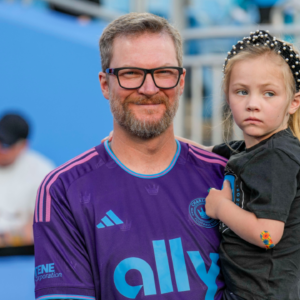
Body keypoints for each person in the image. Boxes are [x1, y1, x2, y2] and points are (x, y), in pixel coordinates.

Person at [33, 12, 227, 300]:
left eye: (163, 72)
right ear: (104, 84)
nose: (149, 89)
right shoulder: (63, 190)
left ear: (181, 81)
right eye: (131, 74)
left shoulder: (224, 174)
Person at [192, 30, 300, 300]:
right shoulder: (249, 150)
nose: (253, 104)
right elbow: (198, 151)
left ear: (293, 103)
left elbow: (267, 235)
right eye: (242, 92)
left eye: (269, 94)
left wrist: (221, 208)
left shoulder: (278, 156)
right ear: (228, 97)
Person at [0, 113, 55, 255]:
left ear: (23, 145)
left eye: (6, 144)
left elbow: (38, 230)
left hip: (19, 260)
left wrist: (7, 239)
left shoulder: (42, 172)